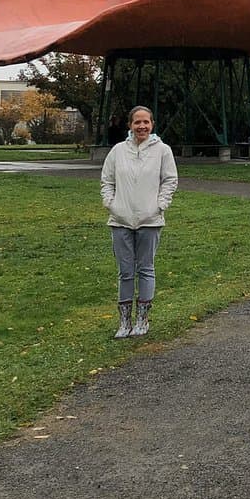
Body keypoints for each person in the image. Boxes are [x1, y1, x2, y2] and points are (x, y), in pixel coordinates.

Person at [101, 105, 178, 339]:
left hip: (150, 219)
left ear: (152, 124)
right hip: (121, 219)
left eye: (146, 122)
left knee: (146, 269)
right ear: (130, 125)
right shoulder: (117, 151)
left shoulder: (162, 150)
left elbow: (170, 180)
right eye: (137, 122)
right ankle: (124, 321)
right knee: (125, 272)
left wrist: (160, 205)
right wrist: (111, 204)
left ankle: (142, 318)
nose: (141, 126)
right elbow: (107, 180)